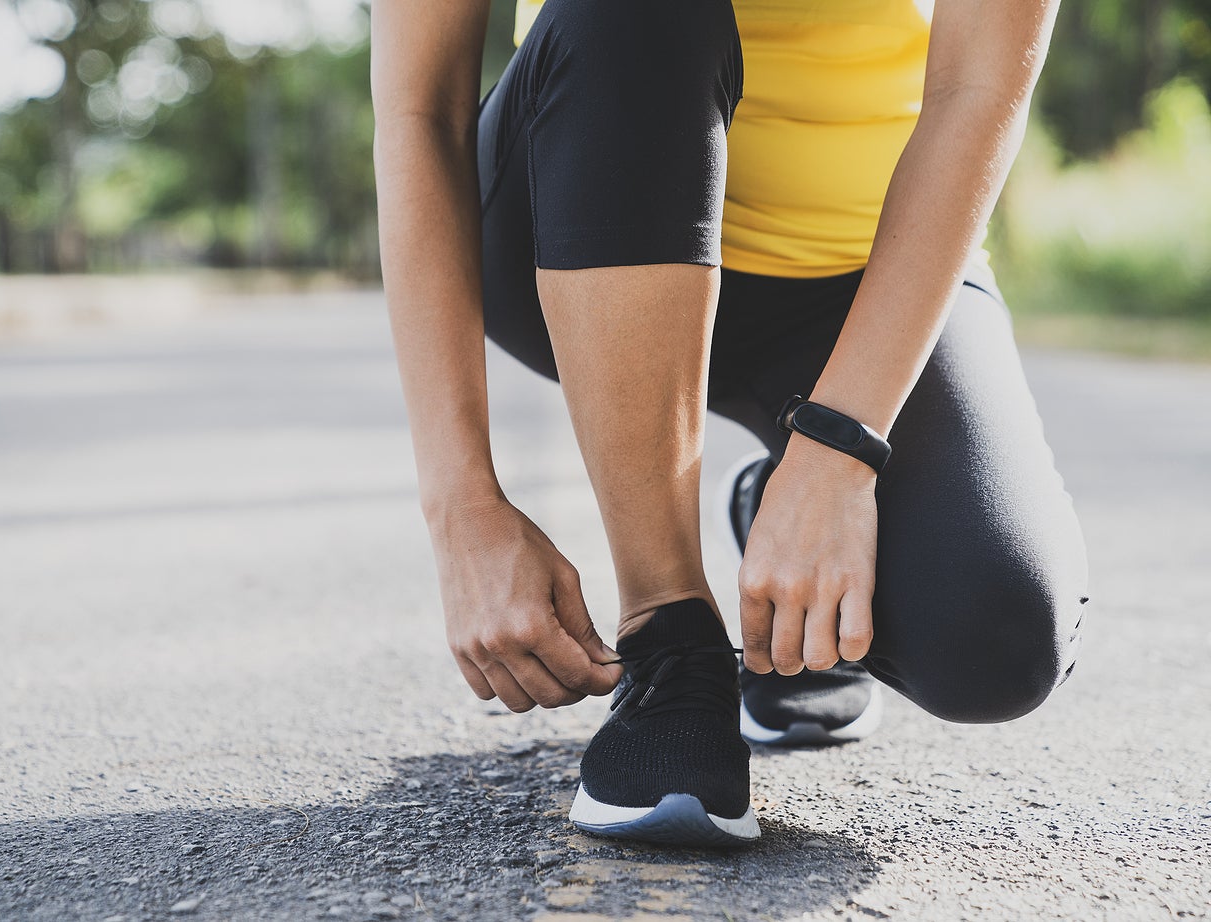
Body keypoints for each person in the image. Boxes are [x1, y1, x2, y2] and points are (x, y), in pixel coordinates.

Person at [370, 0, 1089, 847]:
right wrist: (461, 505)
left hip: (864, 270)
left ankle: (779, 529)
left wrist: (837, 459)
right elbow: (420, 110)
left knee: (994, 639)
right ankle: (668, 636)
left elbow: (978, 86)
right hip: (579, 212)